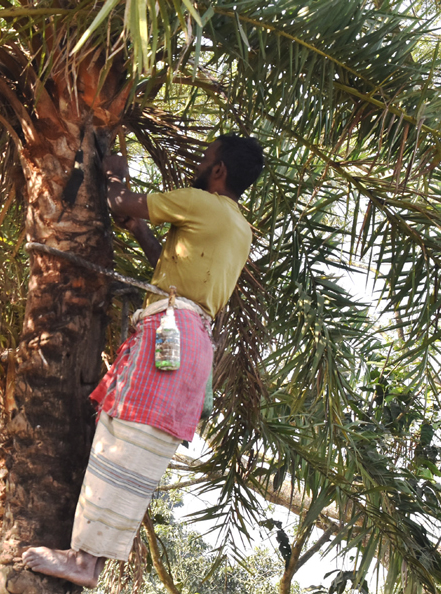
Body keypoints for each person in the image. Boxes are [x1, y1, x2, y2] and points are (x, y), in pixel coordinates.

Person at [22, 133, 265, 587]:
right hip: (191, 348)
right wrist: (143, 234)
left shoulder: (200, 202)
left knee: (121, 442)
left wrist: (115, 166)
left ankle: (83, 562)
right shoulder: (237, 227)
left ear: (219, 171)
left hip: (167, 341)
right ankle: (88, 559)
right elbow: (176, 271)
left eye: (206, 157)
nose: (200, 163)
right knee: (137, 452)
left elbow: (119, 202)